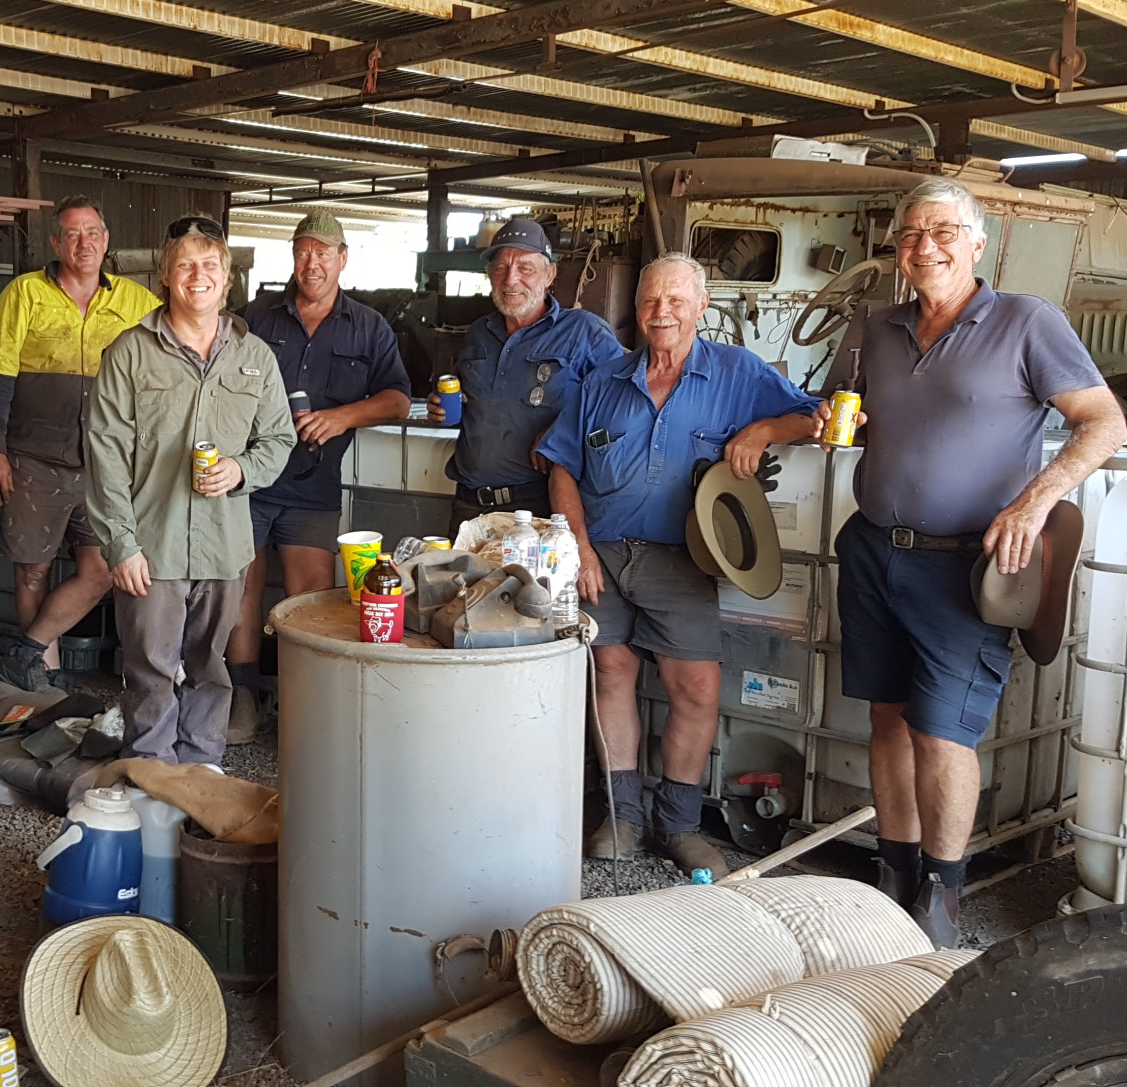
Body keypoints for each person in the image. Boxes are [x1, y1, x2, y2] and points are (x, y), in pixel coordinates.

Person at [829, 178, 1123, 945]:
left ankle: (943, 894)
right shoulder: (874, 327)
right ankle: (893, 873)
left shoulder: (1028, 322)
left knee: (942, 732)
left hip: (968, 565)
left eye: (943, 232)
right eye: (911, 234)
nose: (924, 247)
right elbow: (834, 415)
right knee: (886, 717)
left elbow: (1104, 421)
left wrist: (1035, 500)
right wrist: (769, 428)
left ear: (977, 242)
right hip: (873, 549)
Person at [542, 253, 820, 877]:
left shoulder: (736, 372)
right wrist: (578, 548)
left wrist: (763, 432)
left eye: (674, 301)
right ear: (637, 309)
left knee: (694, 690)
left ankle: (680, 825)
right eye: (649, 301)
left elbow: (813, 413)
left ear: (700, 306)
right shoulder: (604, 380)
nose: (660, 312)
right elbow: (561, 467)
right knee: (610, 675)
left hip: (684, 560)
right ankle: (623, 816)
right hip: (603, 556)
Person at [86, 216, 295, 766]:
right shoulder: (130, 353)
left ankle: (202, 774)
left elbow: (279, 439)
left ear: (227, 280)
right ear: (165, 276)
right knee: (150, 670)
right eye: (185, 265)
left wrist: (241, 470)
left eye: (209, 266)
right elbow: (104, 454)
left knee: (211, 669)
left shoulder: (255, 358)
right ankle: (152, 782)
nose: (197, 276)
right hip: (151, 548)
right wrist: (120, 544)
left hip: (224, 547)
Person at [224, 209, 410, 741]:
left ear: (343, 259)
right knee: (242, 584)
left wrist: (342, 416)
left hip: (314, 483)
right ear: (293, 255)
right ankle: (242, 698)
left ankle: (300, 701)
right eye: (304, 250)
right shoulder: (256, 316)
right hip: (250, 477)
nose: (313, 262)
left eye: (324, 253)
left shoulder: (368, 326)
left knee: (308, 595)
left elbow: (398, 399)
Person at [0, 196, 161, 690]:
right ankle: (46, 675)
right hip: (34, 456)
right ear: (56, 243)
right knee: (32, 569)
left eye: (93, 233)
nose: (84, 243)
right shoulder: (23, 295)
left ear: (106, 241)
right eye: (73, 234)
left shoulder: (137, 302)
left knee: (103, 567)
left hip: (107, 461)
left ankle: (26, 650)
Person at [428, 217, 625, 527]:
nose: (510, 280)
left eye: (525, 269)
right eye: (501, 268)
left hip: (540, 507)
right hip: (469, 506)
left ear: (549, 275)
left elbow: (623, 405)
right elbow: (471, 399)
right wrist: (443, 407)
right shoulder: (480, 331)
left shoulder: (584, 332)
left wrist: (562, 431)